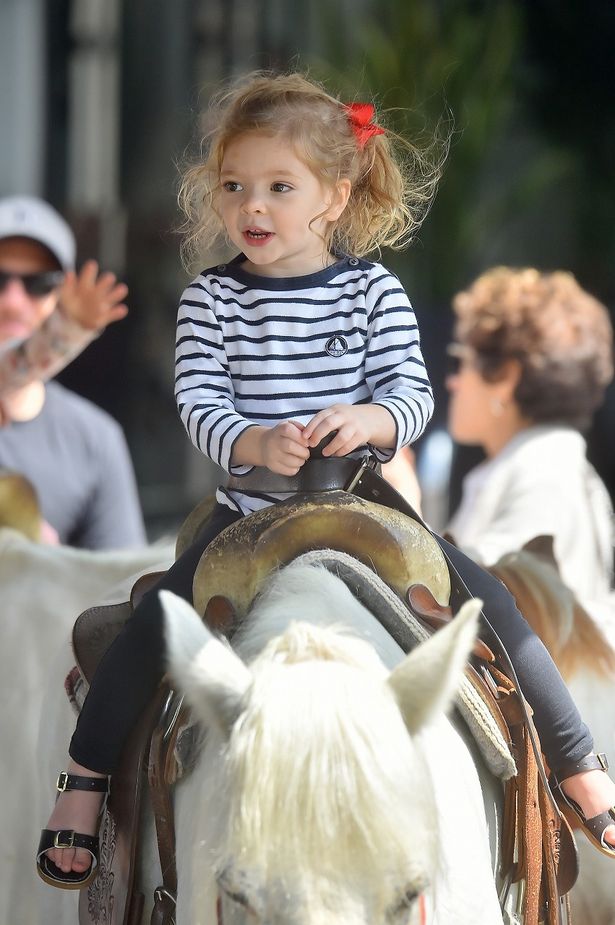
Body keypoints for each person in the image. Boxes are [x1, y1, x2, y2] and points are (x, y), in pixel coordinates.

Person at [38, 71, 615, 892]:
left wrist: (370, 423)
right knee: (148, 627)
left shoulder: (372, 291)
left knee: (497, 606)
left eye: (279, 186)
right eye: (234, 186)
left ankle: (574, 758)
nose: (252, 206)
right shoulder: (211, 300)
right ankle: (85, 782)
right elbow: (196, 398)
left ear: (333, 198)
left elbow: (411, 396)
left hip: (363, 507)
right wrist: (248, 439)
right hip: (247, 513)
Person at [445, 266, 614, 605]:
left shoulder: (542, 473)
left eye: (461, 361)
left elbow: (485, 606)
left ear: (506, 377)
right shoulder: (548, 462)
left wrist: (406, 507)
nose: (453, 382)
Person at [0, 195, 147, 549]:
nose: (13, 301)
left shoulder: (95, 438)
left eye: (38, 283)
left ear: (63, 292)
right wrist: (67, 329)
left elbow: (119, 586)